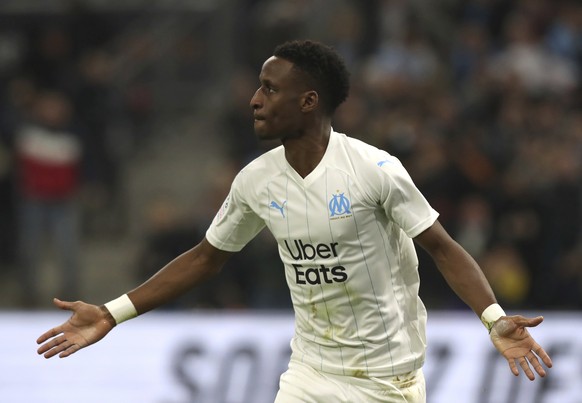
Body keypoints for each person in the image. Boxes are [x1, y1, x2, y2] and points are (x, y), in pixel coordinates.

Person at [37, 40, 552, 402]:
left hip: (385, 380)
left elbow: (441, 247)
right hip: (309, 372)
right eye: (258, 87)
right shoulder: (256, 181)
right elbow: (206, 258)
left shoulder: (375, 171)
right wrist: (112, 312)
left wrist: (493, 319)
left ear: (308, 101)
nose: (255, 99)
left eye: (269, 89)